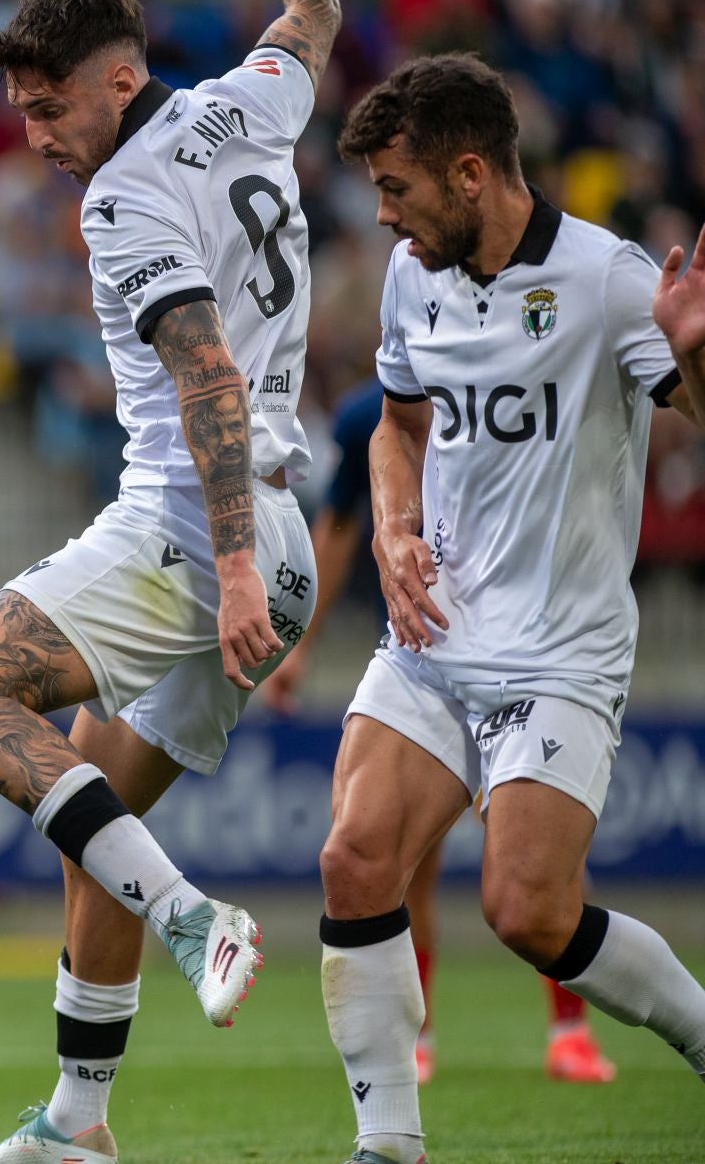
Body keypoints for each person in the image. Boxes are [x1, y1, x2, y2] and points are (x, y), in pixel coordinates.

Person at [0, 0, 339, 1162]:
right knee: (97, 825)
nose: (34, 137)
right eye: (21, 110)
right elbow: (314, 11)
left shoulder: (123, 198)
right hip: (277, 537)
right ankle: (77, 1127)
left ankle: (200, 920)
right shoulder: (245, 104)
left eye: (50, 108)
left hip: (198, 534)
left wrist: (235, 568)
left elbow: (203, 371)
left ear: (119, 78)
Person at [321, 52, 705, 1164]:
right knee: (354, 857)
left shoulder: (607, 280)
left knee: (528, 912)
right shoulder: (411, 273)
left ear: (473, 173)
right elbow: (396, 425)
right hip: (437, 633)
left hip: (561, 649)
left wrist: (696, 350)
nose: (385, 216)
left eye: (399, 188)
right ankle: (388, 1139)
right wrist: (393, 527)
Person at [264, 377, 617, 1086]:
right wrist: (298, 643)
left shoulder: (514, 386)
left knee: (541, 858)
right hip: (420, 664)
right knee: (402, 864)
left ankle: (569, 1031)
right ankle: (417, 1038)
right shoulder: (372, 412)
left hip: (520, 662)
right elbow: (335, 529)